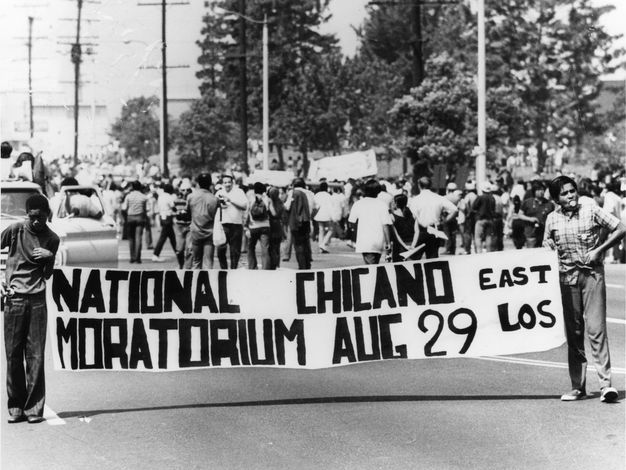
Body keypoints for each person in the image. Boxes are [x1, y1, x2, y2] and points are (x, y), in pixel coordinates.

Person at [543, 176, 626, 403]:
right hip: (567, 279)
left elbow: (621, 227)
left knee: (596, 329)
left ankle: (606, 384)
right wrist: (548, 247)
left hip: (592, 276)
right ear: (555, 198)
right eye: (564, 193)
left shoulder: (590, 209)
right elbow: (546, 249)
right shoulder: (551, 220)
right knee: (574, 332)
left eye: (572, 191)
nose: (570, 196)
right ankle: (577, 386)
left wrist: (600, 249)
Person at [1, 194, 60, 423]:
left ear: (48, 215)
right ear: (27, 215)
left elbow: (47, 274)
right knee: (13, 356)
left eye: (41, 217)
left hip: (37, 300)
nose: (36, 222)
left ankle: (34, 408)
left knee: (35, 357)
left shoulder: (52, 238)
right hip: (14, 299)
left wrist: (50, 257)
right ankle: (16, 405)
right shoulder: (15, 230)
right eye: (33, 217)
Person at [408, 176, 458, 259]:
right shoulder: (438, 198)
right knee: (432, 259)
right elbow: (455, 209)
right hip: (434, 230)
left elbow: (413, 216)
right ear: (430, 186)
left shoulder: (415, 200)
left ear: (419, 186)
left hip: (420, 230)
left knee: (414, 259)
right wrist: (445, 221)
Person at [348, 179, 393, 264]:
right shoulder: (382, 205)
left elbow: (351, 222)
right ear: (378, 191)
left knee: (371, 268)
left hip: (364, 241)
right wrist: (388, 243)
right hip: (378, 241)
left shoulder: (358, 204)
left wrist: (355, 236)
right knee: (374, 265)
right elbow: (385, 226)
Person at [215, 174, 248, 269]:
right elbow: (214, 206)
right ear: (222, 183)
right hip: (222, 225)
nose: (227, 184)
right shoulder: (219, 193)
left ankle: (233, 270)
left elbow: (244, 206)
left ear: (232, 182)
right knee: (220, 250)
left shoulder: (239, 192)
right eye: (225, 182)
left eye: (229, 182)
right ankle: (224, 269)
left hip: (236, 224)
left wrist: (231, 200)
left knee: (235, 251)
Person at [188, 172, 219, 269]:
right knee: (208, 261)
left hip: (195, 232)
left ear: (198, 183)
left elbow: (188, 213)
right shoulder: (214, 199)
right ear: (210, 183)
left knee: (196, 261)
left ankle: (195, 282)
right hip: (209, 233)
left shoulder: (191, 197)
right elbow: (217, 216)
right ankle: (208, 282)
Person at [285, 178, 313, 269]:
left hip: (296, 222)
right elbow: (317, 207)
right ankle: (307, 264)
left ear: (293, 185)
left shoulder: (292, 193)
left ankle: (302, 266)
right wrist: (310, 216)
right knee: (306, 243)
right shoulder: (309, 193)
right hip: (307, 221)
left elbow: (287, 206)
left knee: (298, 245)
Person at [519, 180, 554, 247]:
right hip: (531, 233)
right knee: (532, 253)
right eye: (538, 190)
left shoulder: (549, 204)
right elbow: (520, 215)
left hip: (545, 234)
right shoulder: (527, 202)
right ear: (534, 191)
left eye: (542, 190)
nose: (541, 192)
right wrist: (530, 219)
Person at [245, 182, 271, 270]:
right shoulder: (267, 199)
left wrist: (245, 227)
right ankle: (265, 269)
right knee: (265, 249)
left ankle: (252, 267)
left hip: (253, 227)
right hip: (265, 226)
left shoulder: (250, 198)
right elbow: (270, 212)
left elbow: (246, 213)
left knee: (251, 247)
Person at [122, 180, 148, 264]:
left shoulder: (128, 196)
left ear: (132, 187)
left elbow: (124, 208)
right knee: (138, 238)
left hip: (130, 218)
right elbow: (146, 209)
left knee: (131, 239)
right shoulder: (143, 197)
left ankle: (132, 257)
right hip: (140, 218)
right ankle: (138, 258)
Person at [151, 183, 177, 262]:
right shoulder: (169, 197)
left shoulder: (161, 196)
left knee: (172, 237)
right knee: (163, 238)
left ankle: (178, 252)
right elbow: (173, 207)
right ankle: (156, 254)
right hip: (168, 218)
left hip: (162, 217)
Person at [390, 193, 417, 262]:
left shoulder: (392, 217)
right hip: (412, 245)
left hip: (399, 246)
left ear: (396, 203)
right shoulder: (413, 215)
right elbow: (417, 231)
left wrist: (405, 246)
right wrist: (413, 245)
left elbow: (396, 235)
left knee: (399, 269)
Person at [313, 181, 334, 253]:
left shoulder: (317, 195)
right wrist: (332, 216)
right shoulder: (329, 196)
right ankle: (323, 244)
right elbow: (331, 207)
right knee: (331, 230)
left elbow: (315, 205)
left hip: (318, 214)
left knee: (321, 230)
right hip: (327, 215)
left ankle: (321, 246)